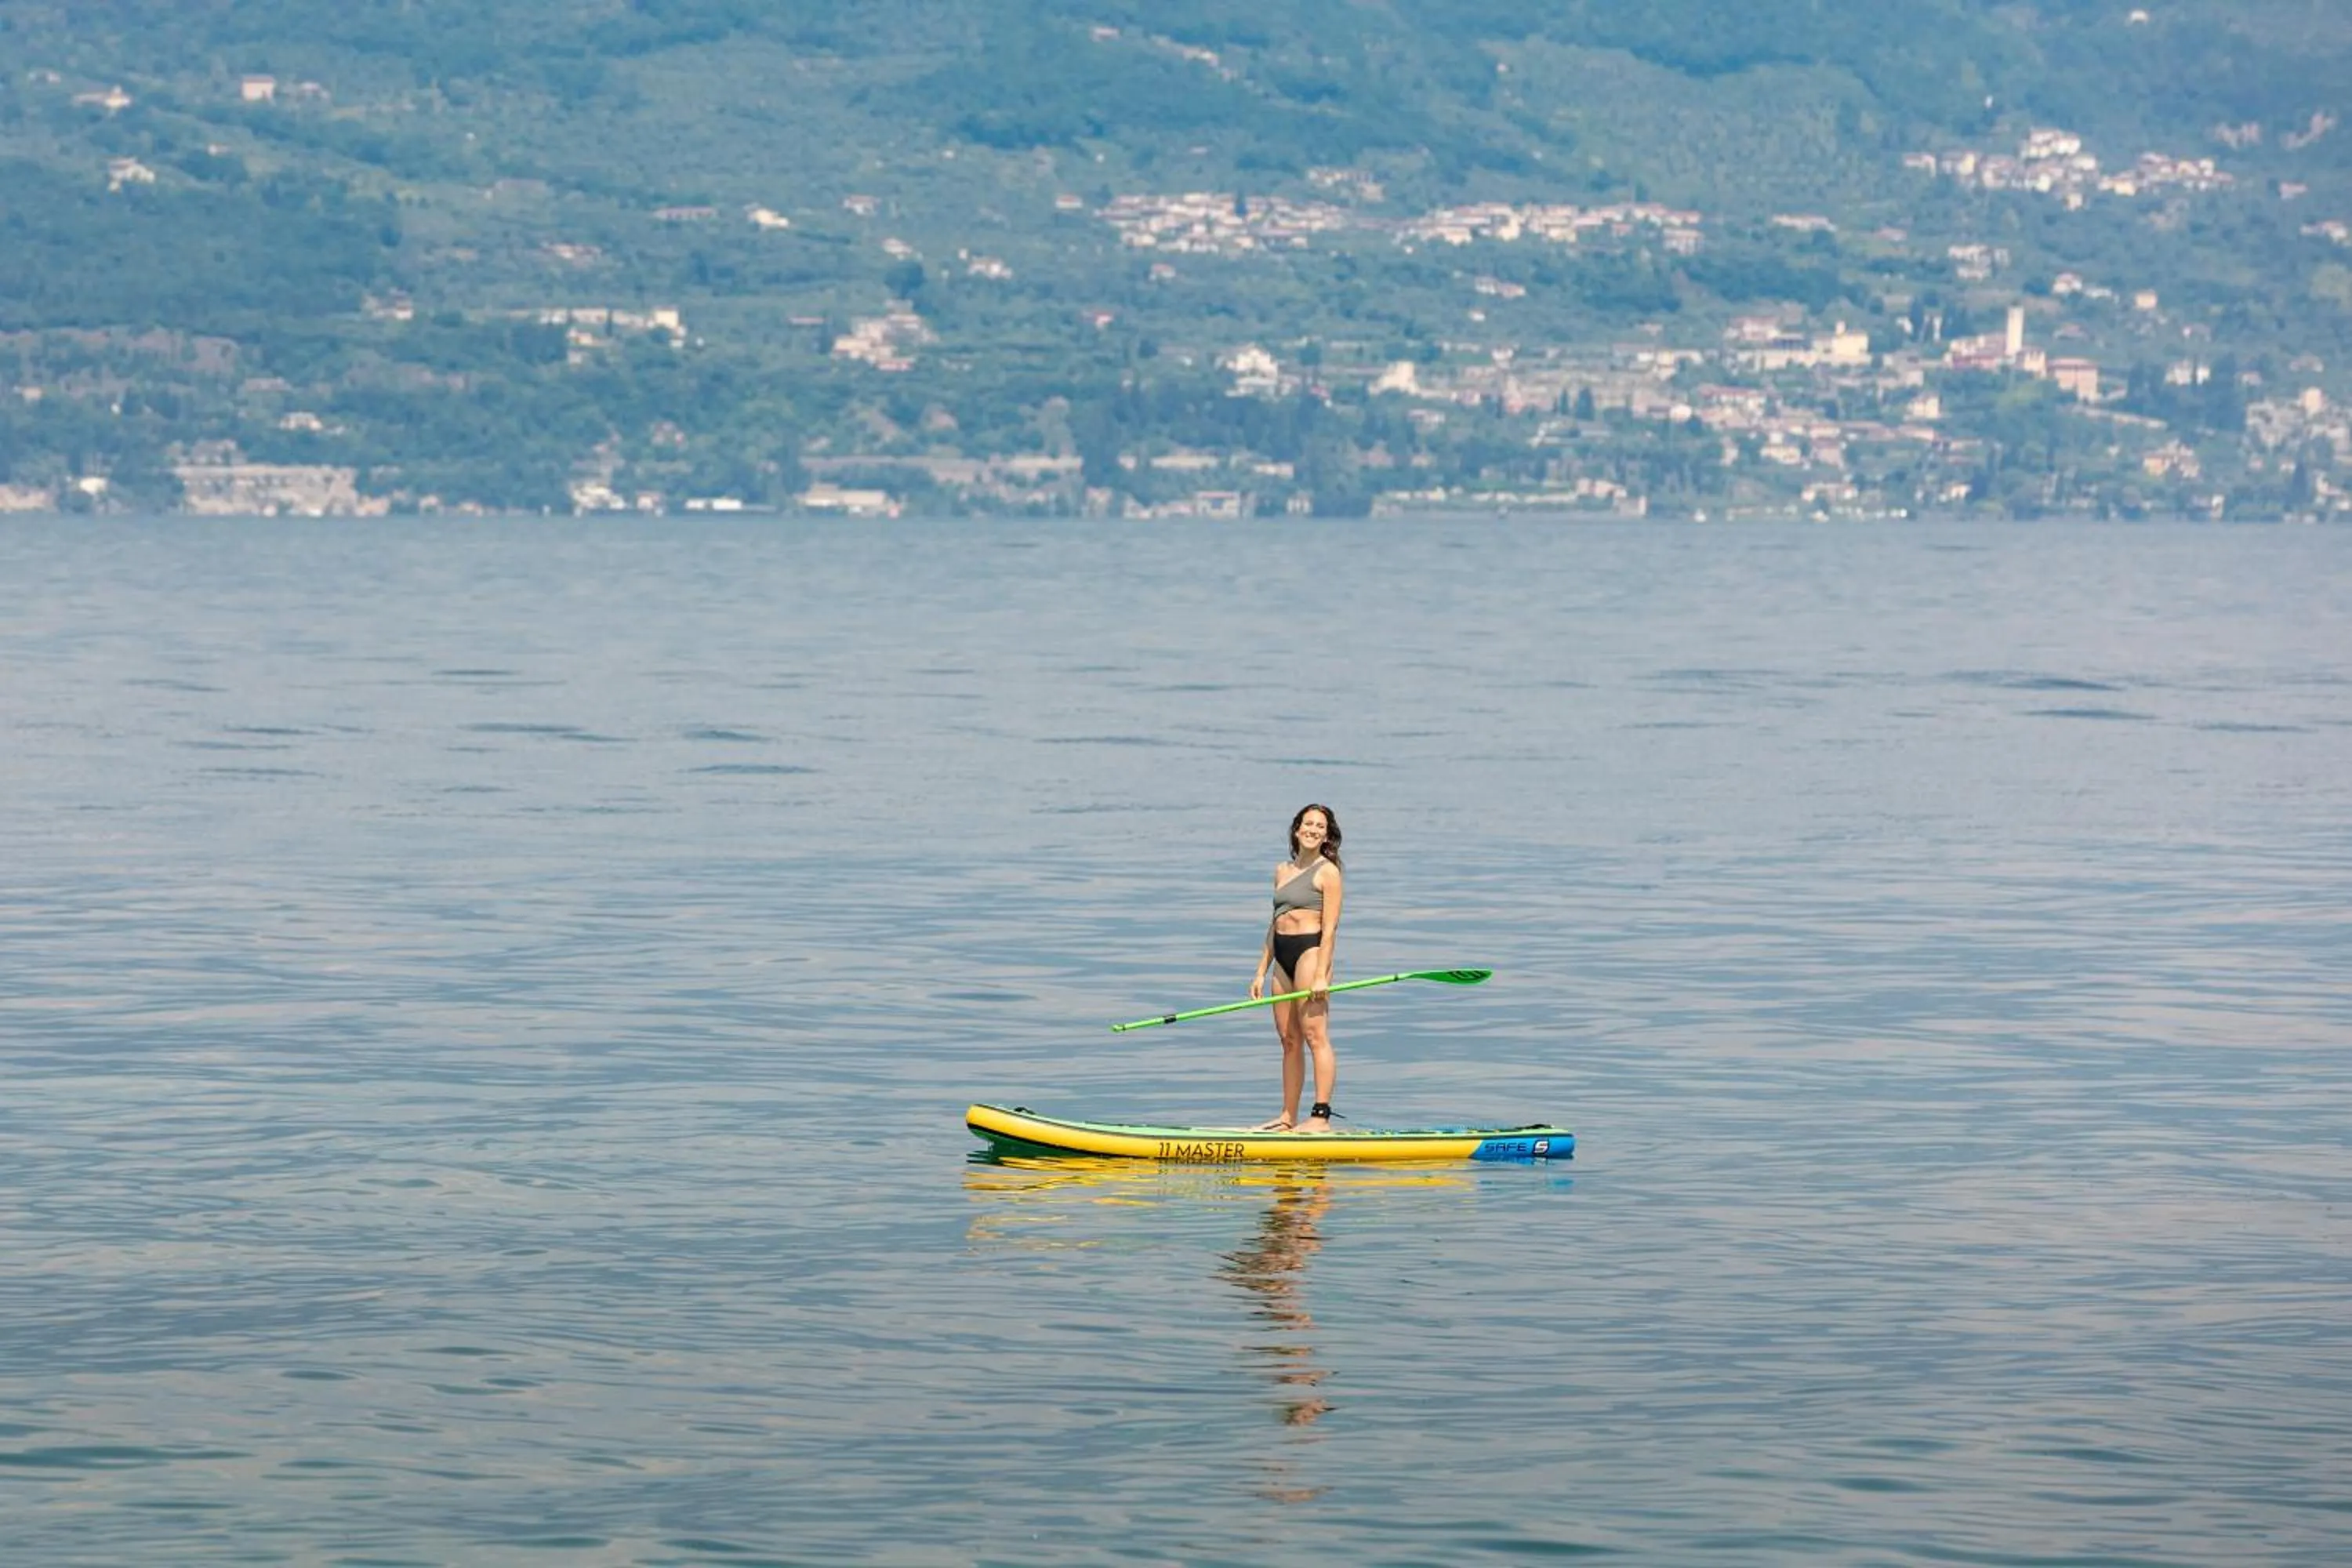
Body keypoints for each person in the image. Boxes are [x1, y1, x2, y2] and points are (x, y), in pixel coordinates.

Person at [1248, 804, 1344, 1133]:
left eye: (1320, 826)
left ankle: (1320, 1117)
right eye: (1308, 824)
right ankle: (1287, 1117)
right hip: (1282, 958)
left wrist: (1320, 975)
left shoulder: (1327, 872)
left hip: (1310, 954)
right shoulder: (1282, 871)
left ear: (1327, 836)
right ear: (1297, 829)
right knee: (1289, 1040)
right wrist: (1261, 970)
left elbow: (1330, 929)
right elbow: (1274, 924)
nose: (1313, 830)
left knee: (1315, 1036)